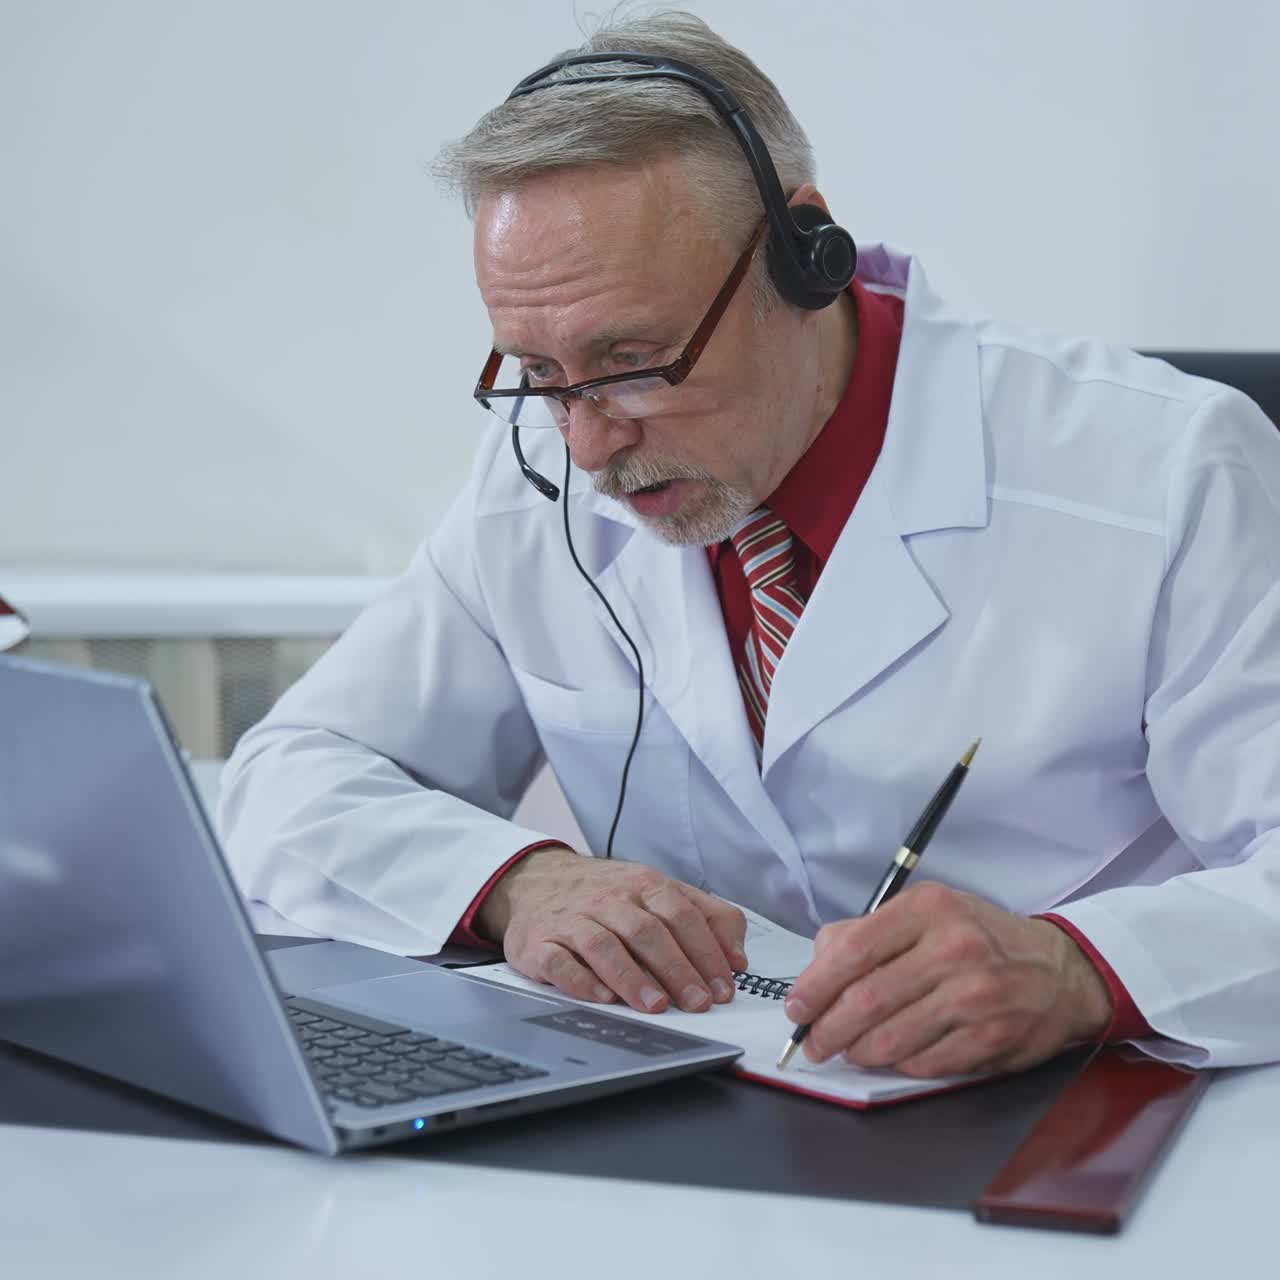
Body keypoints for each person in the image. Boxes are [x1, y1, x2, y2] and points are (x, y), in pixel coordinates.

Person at [219, 10, 1280, 1078]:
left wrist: (1075, 968)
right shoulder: (535, 470)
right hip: (688, 1096)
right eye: (539, 372)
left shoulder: (1168, 468)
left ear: (801, 256)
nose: (587, 446)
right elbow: (287, 777)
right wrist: (516, 883)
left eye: (632, 361)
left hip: (1085, 1098)